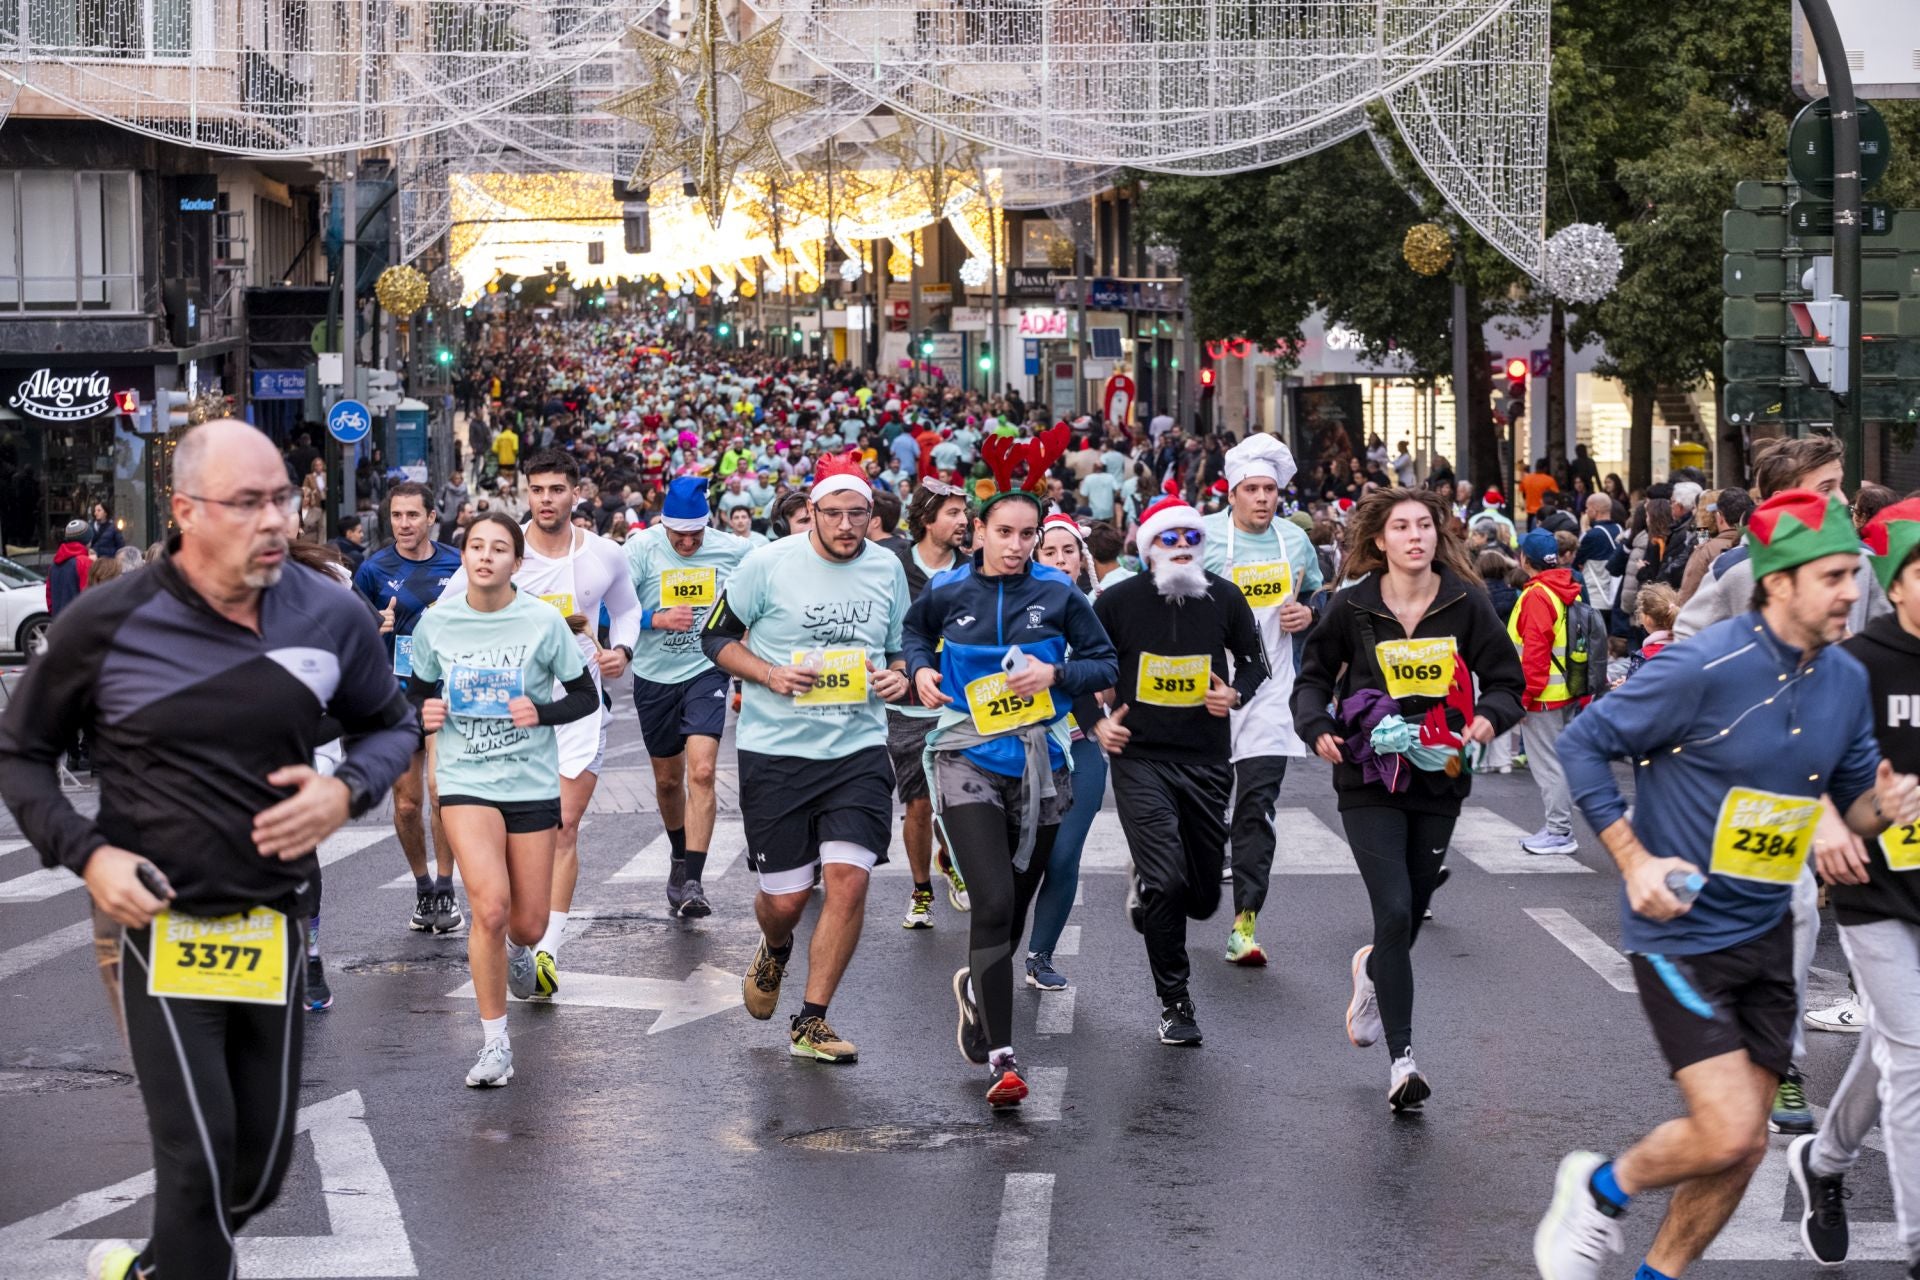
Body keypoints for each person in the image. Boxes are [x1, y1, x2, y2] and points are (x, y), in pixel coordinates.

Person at [0, 419, 415, 1280]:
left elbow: (391, 725)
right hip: (154, 920)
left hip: (272, 920)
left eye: (282, 499)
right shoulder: (109, 621)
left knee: (255, 1173)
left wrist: (346, 790)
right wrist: (91, 856)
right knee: (197, 1158)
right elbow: (21, 751)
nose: (274, 520)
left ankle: (156, 1270)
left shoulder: (329, 614)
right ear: (186, 510)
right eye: (247, 502)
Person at [1534, 489, 1920, 1280]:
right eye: (1833, 576)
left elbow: (1852, 803)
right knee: (1728, 1130)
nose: (1852, 591)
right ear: (1778, 582)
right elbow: (1584, 743)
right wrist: (1633, 861)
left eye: (1855, 574)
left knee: (1742, 1150)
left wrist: (1879, 809)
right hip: (1681, 930)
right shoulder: (1701, 666)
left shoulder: (1843, 678)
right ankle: (1599, 1186)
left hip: (1768, 932)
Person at [1292, 487, 1525, 1110]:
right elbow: (1313, 677)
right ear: (1380, 540)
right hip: (1369, 775)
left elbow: (1507, 681)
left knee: (1412, 910)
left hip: (1439, 773)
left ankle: (1373, 971)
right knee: (1394, 909)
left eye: (1424, 525)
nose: (1415, 536)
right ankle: (1403, 1062)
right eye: (1402, 527)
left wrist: (1490, 717)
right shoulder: (1352, 606)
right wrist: (1315, 725)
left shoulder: (1466, 602)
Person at [903, 460, 1116, 1106]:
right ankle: (1002, 1058)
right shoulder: (948, 590)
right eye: (1005, 532)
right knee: (993, 901)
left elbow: (1105, 662)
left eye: (1029, 534)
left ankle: (977, 988)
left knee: (1017, 900)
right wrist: (920, 670)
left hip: (1041, 760)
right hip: (965, 755)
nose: (1017, 545)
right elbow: (915, 632)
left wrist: (1056, 677)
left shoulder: (1060, 595)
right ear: (979, 533)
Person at [701, 454, 913, 1063]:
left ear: (873, 516)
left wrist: (899, 676)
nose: (846, 525)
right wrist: (769, 674)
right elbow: (716, 638)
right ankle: (775, 948)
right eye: (834, 513)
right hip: (776, 751)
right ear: (811, 513)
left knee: (849, 880)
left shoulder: (886, 568)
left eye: (858, 514)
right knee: (787, 901)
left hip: (857, 748)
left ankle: (812, 1021)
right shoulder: (766, 564)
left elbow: (899, 648)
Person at [408, 512, 600, 1087]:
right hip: (467, 780)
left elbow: (585, 696)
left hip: (530, 782)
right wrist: (423, 713)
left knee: (529, 922)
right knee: (489, 908)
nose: (485, 556)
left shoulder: (542, 622)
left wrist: (540, 711)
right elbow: (414, 696)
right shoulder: (436, 623)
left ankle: (521, 952)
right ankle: (495, 1044)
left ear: (517, 563)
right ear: (464, 556)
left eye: (498, 549)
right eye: (475, 546)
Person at [440, 450, 640, 997]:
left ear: (577, 493)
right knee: (516, 834)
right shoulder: (505, 550)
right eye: (537, 489)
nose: (546, 499)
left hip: (577, 707)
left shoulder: (603, 555)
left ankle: (545, 950)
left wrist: (622, 649)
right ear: (526, 493)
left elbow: (627, 610)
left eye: (556, 489)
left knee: (563, 828)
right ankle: (516, 932)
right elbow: (447, 609)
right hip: (509, 711)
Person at [1789, 498, 1920, 1271]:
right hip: (1875, 890)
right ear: (1894, 583)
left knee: (1896, 1046)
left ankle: (1825, 1161)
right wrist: (1827, 822)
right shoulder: (1854, 665)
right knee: (1916, 1060)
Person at [1094, 493, 1268, 1046]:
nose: (1183, 548)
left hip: (1206, 759)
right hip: (1140, 757)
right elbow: (1082, 667)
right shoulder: (1117, 601)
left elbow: (1256, 662)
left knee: (1203, 898)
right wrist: (1096, 721)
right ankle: (1175, 1002)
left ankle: (1153, 891)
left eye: (1192, 538)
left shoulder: (1225, 596)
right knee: (1167, 882)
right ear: (1150, 548)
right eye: (1170, 539)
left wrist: (1235, 694)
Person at [1202, 434, 1321, 965]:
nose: (1262, 498)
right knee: (1202, 809)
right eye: (1251, 489)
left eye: (1269, 490)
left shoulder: (1295, 542)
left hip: (1272, 692)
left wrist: (1309, 613)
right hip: (1206, 692)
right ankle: (1159, 873)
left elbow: (1316, 593)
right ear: (1231, 494)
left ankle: (1244, 925)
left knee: (1255, 808)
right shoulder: (1203, 536)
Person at [625, 476, 750, 917]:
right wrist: (654, 619)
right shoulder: (640, 550)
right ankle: (679, 855)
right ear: (663, 524)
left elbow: (771, 580)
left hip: (705, 668)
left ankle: (694, 881)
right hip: (654, 676)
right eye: (678, 535)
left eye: (696, 534)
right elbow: (606, 607)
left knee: (702, 771)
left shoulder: (734, 549)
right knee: (668, 781)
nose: (688, 543)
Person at [353, 481, 466, 932]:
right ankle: (423, 887)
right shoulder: (372, 570)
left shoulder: (456, 564)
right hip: (395, 696)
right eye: (397, 516)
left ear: (431, 517)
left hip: (441, 691)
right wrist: (374, 626)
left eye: (413, 515)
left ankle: (446, 887)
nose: (403, 524)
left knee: (440, 792)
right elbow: (350, 632)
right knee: (405, 804)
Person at [1024, 514, 1107, 989]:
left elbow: (1117, 677)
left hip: (1084, 749)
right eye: (1049, 552)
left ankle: (1040, 956)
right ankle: (993, 951)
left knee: (1063, 856)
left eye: (1068, 552)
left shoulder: (1104, 608)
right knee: (1019, 862)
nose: (1060, 560)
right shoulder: (1017, 607)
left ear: (1082, 558)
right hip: (1023, 749)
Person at [889, 479, 974, 928]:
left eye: (965, 513)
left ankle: (955, 862)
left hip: (960, 703)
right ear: (926, 519)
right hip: (907, 705)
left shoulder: (974, 570)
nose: (963, 521)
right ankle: (921, 891)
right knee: (919, 804)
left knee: (959, 800)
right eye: (953, 513)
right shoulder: (893, 566)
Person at [1509, 528, 1587, 857]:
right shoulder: (1566, 589)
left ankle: (1559, 831)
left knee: (1548, 767)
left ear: (1525, 559)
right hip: (1565, 689)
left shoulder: (1537, 595)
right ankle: (1558, 827)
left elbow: (1535, 654)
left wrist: (1522, 700)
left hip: (1542, 696)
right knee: (1557, 763)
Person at [46, 518, 93, 617]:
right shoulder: (84, 562)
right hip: (79, 622)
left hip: (59, 621)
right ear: (87, 541)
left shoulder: (54, 565)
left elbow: (49, 598)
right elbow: (89, 597)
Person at [1520, 459, 1559, 528]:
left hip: (1530, 512)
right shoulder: (1549, 480)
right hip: (1544, 512)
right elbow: (1555, 494)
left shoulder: (1526, 479)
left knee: (1531, 532)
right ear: (1545, 468)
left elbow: (1524, 494)